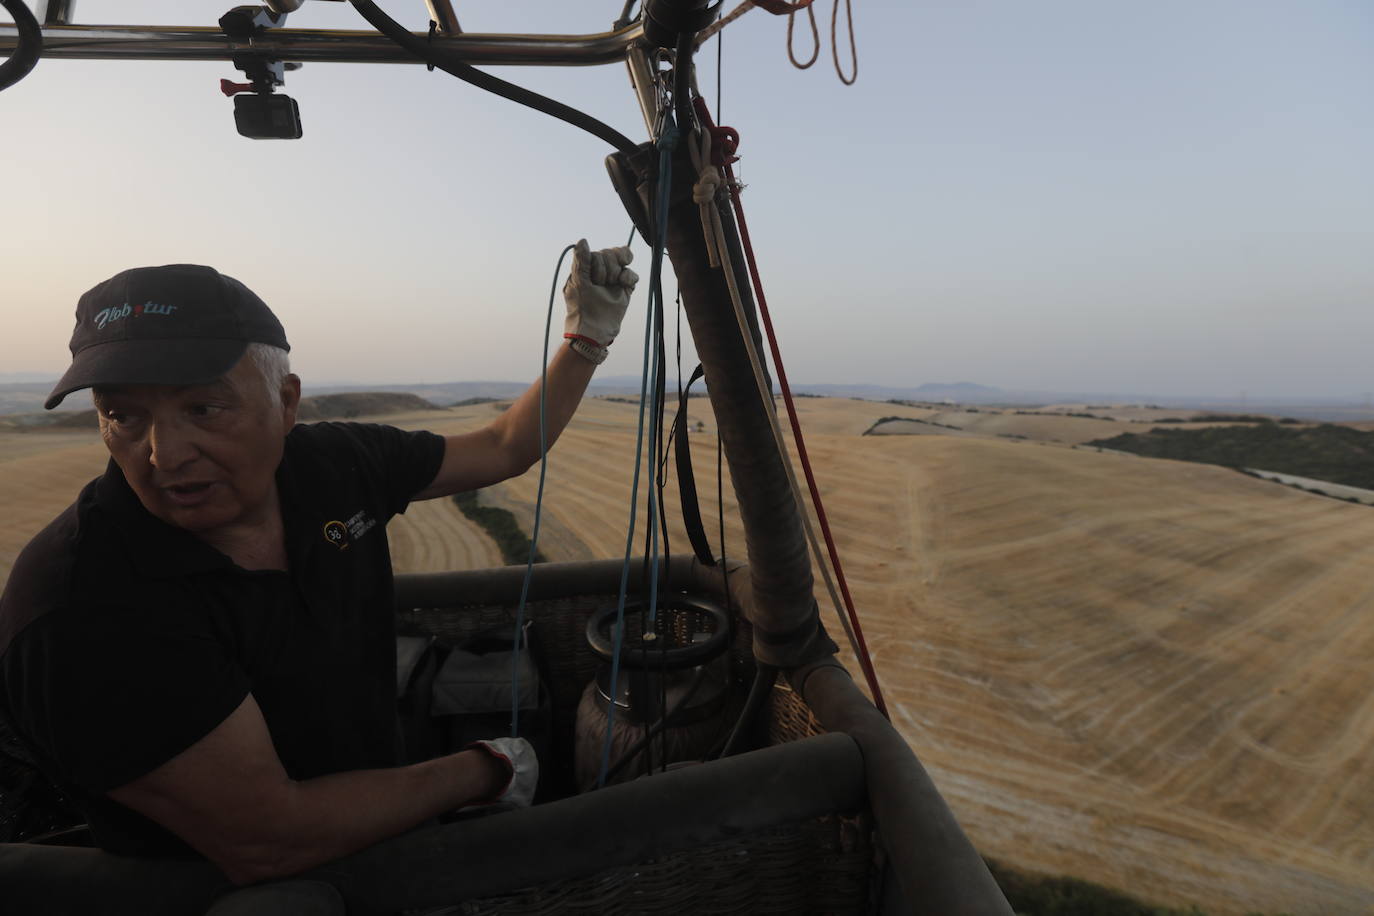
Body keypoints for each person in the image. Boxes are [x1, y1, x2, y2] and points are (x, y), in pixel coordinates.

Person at [0, 242, 636, 886]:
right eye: (122, 415)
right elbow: (267, 839)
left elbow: (503, 446)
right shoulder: (81, 603)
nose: (164, 454)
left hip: (385, 837)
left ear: (286, 402)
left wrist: (585, 341)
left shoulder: (336, 464)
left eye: (202, 408)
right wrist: (487, 768)